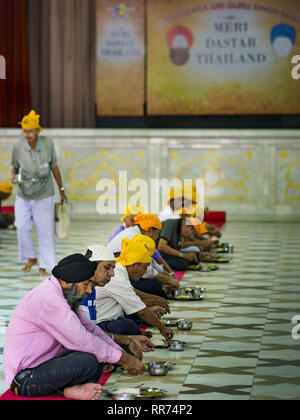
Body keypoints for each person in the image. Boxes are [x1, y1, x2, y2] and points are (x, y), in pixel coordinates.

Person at [3, 253, 145, 400]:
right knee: (89, 359)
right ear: (67, 283)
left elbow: (91, 329)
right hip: (25, 379)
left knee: (100, 353)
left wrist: (120, 352)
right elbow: (82, 339)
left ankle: (69, 389)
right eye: (86, 284)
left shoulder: (63, 294)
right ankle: (67, 390)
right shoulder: (49, 298)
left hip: (45, 364)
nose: (90, 290)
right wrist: (124, 360)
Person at [11, 110, 67, 276]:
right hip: (24, 193)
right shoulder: (18, 145)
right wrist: (14, 177)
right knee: (21, 226)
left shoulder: (47, 143)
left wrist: (61, 190)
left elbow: (54, 167)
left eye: (30, 131)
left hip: (44, 194)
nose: (27, 135)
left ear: (37, 131)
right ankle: (30, 257)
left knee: (45, 231)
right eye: (24, 131)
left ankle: (45, 266)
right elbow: (15, 166)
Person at [81, 244, 156, 358]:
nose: (112, 273)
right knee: (92, 362)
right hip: (64, 350)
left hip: (91, 334)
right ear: (92, 267)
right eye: (107, 267)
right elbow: (80, 337)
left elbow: (92, 330)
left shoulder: (92, 291)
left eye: (113, 268)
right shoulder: (76, 292)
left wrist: (128, 341)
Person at [95, 236, 175, 341]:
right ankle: (131, 335)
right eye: (145, 267)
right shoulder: (116, 277)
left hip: (112, 318)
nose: (145, 271)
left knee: (132, 320)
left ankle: (133, 334)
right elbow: (141, 311)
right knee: (128, 324)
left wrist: (157, 300)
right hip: (100, 325)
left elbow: (132, 292)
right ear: (134, 265)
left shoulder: (120, 270)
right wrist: (162, 328)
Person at [108, 213, 179, 296]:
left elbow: (150, 261)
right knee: (156, 286)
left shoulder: (138, 234)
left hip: (128, 272)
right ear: (149, 230)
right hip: (115, 275)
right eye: (158, 233)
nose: (157, 237)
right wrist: (168, 280)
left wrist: (169, 275)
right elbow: (146, 270)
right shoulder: (134, 236)